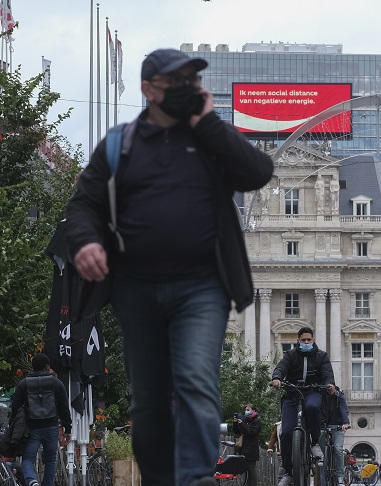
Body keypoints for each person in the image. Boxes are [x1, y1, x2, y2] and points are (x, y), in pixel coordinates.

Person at [64, 48, 274, 486]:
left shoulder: (210, 141)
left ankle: (196, 478)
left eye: (190, 82)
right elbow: (84, 202)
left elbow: (258, 172)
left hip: (202, 287)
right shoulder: (120, 144)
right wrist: (85, 242)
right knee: (150, 401)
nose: (184, 90)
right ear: (148, 89)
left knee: (196, 380)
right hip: (134, 287)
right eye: (174, 82)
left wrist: (209, 122)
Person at [271, 327, 336, 486]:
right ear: (298, 340)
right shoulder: (291, 355)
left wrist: (329, 384)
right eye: (303, 340)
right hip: (292, 394)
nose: (306, 342)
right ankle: (288, 471)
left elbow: (327, 373)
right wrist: (277, 378)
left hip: (312, 392)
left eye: (309, 340)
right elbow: (281, 368)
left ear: (313, 339)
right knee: (286, 432)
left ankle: (314, 443)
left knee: (313, 407)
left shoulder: (321, 356)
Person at [10, 353, 72, 486]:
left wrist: (16, 425)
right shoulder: (56, 383)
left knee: (27, 459)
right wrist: (68, 429)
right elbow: (64, 408)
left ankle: (32, 481)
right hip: (51, 427)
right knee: (50, 459)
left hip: (32, 429)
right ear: (46, 366)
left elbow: (15, 407)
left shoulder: (23, 384)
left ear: (33, 367)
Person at [320, 386, 350, 485]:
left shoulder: (339, 396)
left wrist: (345, 423)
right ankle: (322, 475)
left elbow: (343, 409)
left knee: (338, 449)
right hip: (323, 427)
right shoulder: (321, 396)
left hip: (338, 426)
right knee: (320, 453)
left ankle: (340, 476)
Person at [231, 404, 262, 486]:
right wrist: (235, 423)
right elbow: (238, 432)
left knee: (252, 469)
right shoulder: (245, 420)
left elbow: (252, 432)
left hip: (252, 449)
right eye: (246, 410)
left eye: (248, 409)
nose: (246, 411)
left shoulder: (257, 421)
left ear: (254, 411)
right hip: (244, 448)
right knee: (246, 470)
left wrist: (242, 424)